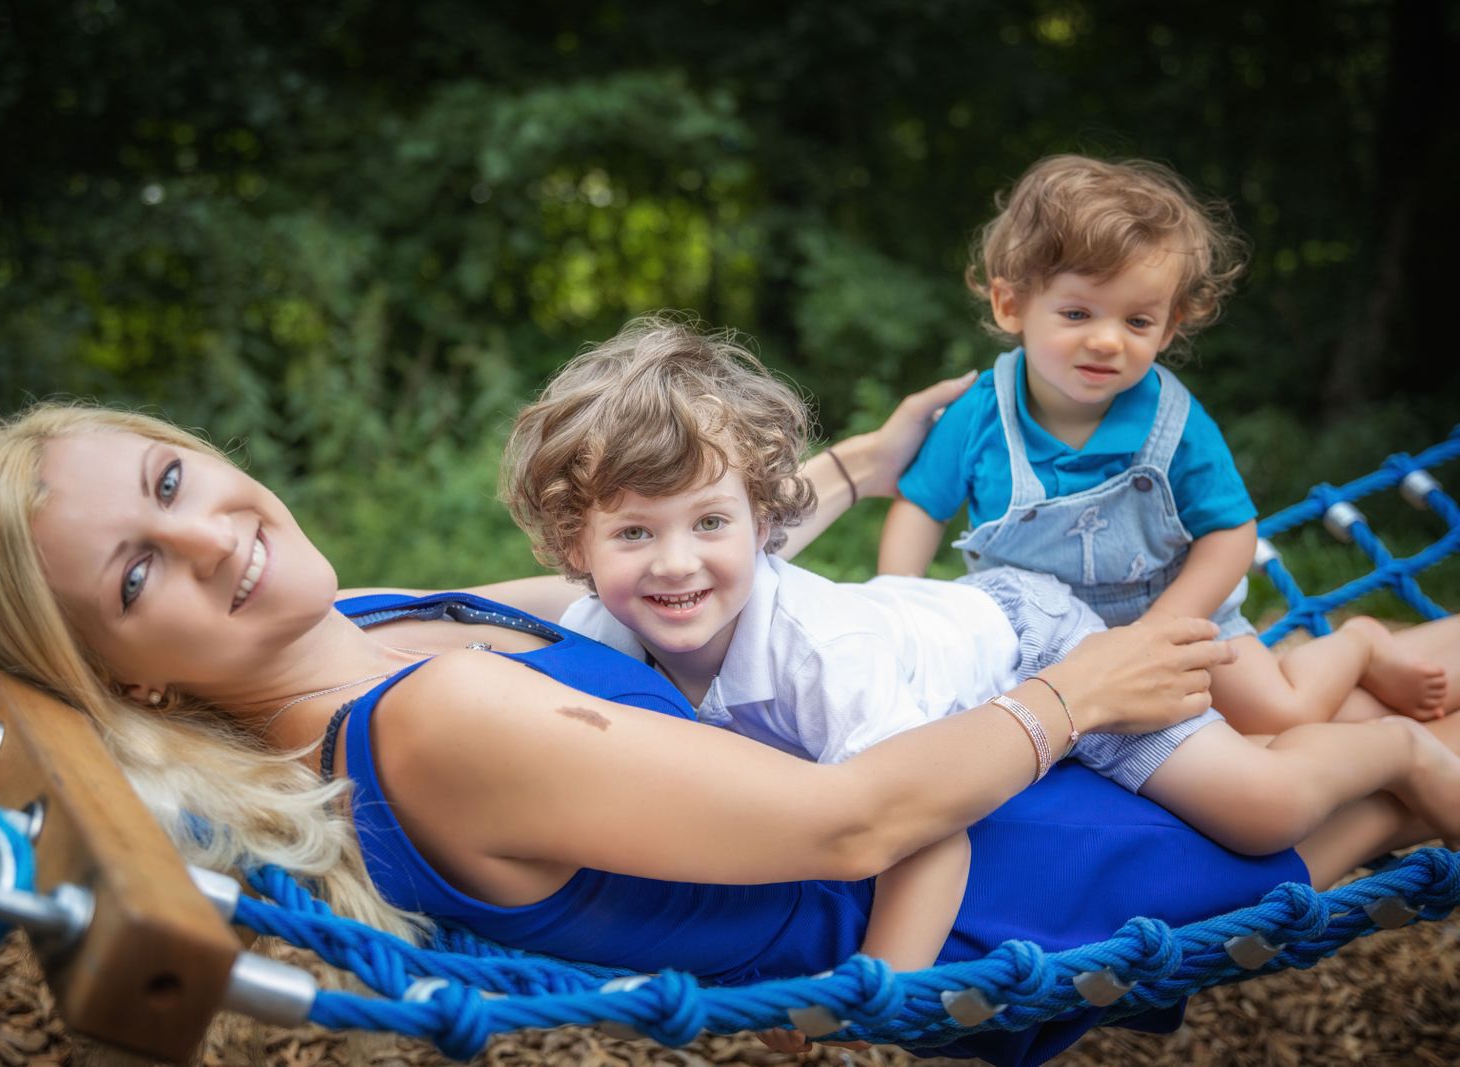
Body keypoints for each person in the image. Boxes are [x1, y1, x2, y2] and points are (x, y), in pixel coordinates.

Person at [0, 395, 1460, 1066]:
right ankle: (1397, 743)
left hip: (958, 762)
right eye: (136, 576)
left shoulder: (369, 618)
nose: (211, 537)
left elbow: (645, 576)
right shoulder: (435, 722)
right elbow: (849, 823)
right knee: (1330, 803)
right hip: (966, 874)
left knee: (1295, 688)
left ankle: (1374, 667)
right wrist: (1076, 694)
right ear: (134, 678)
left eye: (171, 482)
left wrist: (856, 463)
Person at [500, 314, 1460, 1008]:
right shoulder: (598, 632)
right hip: (946, 641)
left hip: (1041, 640)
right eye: (634, 532)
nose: (675, 563)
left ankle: (1399, 748)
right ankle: (1337, 679)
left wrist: (875, 993)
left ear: (767, 526)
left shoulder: (822, 661)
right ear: (576, 546)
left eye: (710, 522)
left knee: (1262, 810)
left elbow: (930, 831)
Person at [878, 154, 1447, 734]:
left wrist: (1160, 630)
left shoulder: (1173, 423)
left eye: (1137, 322)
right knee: (982, 731)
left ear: (1169, 327)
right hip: (1029, 636)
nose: (1107, 340)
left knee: (1280, 716)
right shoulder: (981, 414)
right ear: (1011, 306)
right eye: (1077, 313)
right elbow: (922, 508)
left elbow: (1231, 532)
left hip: (1168, 619)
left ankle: (1359, 645)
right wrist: (903, 612)